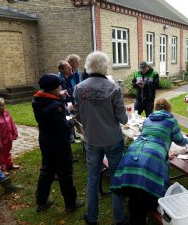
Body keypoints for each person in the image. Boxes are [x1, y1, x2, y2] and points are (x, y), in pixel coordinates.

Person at [111, 99, 188, 225]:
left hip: (133, 153)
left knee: (134, 193)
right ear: (168, 109)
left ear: (156, 108)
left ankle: (136, 217)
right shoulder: (171, 121)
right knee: (144, 193)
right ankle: (149, 207)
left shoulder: (148, 119)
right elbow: (180, 140)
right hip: (152, 156)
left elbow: (146, 132)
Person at [73, 51, 128, 225]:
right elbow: (123, 119)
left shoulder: (79, 88)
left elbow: (77, 114)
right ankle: (119, 218)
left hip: (91, 139)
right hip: (112, 139)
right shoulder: (113, 88)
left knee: (92, 178)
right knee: (116, 177)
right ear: (105, 67)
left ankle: (91, 217)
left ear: (88, 66)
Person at [32, 74, 84, 213]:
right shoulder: (55, 107)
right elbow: (62, 126)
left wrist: (59, 97)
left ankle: (41, 201)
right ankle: (71, 204)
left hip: (45, 139)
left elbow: (50, 108)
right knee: (65, 173)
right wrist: (72, 121)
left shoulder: (38, 99)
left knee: (47, 170)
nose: (61, 87)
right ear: (54, 88)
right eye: (59, 86)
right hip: (59, 143)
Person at [0, 97, 19, 171]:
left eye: (4, 105)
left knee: (7, 152)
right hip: (1, 140)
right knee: (0, 155)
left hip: (9, 138)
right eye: (1, 106)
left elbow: (12, 123)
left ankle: (9, 164)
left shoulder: (7, 113)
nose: (3, 107)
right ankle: (2, 168)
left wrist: (15, 132)